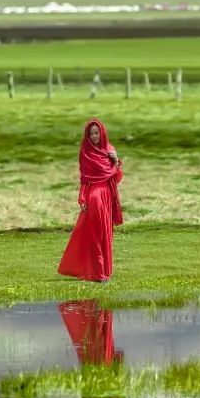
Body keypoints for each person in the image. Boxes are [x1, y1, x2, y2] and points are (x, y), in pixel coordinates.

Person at [57, 118, 123, 282]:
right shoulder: (85, 152)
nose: (94, 136)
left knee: (106, 234)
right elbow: (84, 179)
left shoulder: (110, 150)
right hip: (94, 196)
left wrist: (116, 161)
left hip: (108, 195)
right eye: (91, 133)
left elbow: (117, 177)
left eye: (97, 132)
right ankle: (98, 273)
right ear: (87, 136)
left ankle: (104, 272)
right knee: (96, 233)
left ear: (102, 133)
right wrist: (82, 198)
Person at [58, 300, 123, 398]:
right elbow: (118, 397)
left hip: (94, 373)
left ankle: (94, 311)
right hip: (102, 372)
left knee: (93, 342)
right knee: (97, 342)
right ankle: (97, 311)